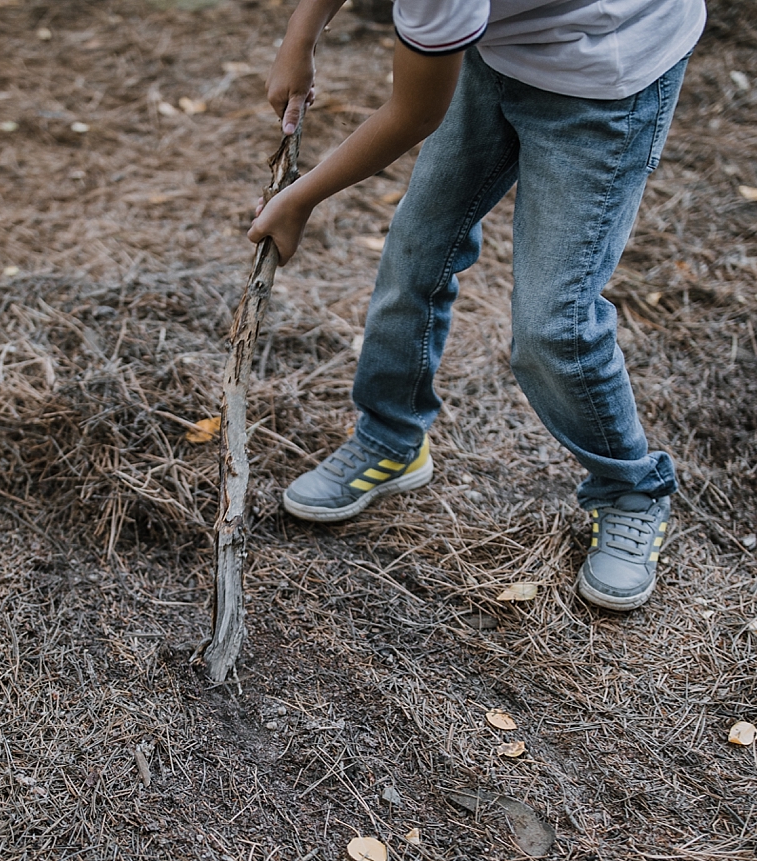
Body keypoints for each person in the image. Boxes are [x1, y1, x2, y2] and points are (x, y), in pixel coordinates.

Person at [248, 0, 704, 610]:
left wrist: (301, 198)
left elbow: (411, 113)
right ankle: (391, 436)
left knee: (553, 327)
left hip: (605, 74)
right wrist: (299, 37)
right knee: (417, 252)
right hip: (497, 49)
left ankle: (631, 490)